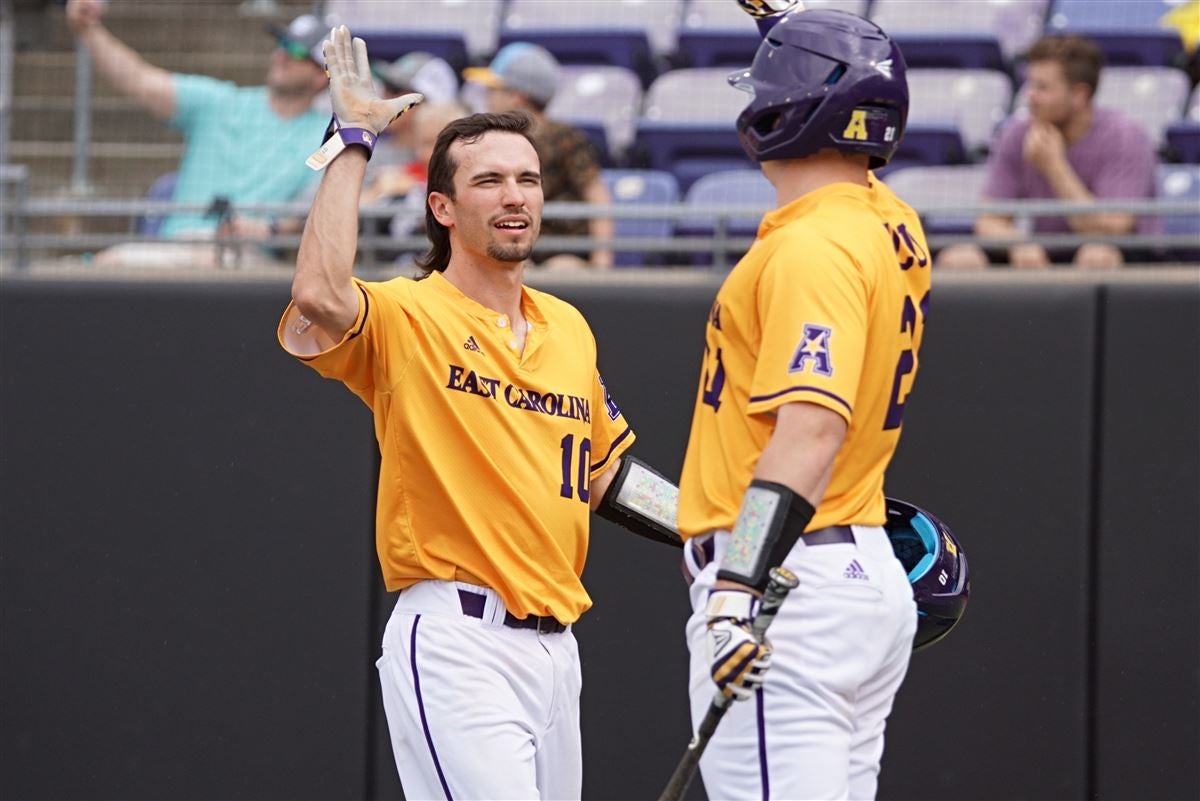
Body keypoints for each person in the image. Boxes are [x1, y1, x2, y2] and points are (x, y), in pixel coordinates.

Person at [279, 26, 642, 800]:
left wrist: (730, 533)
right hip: (456, 638)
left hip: (556, 654)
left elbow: (609, 475)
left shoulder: (569, 327)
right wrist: (353, 138)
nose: (515, 196)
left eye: (528, 179)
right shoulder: (410, 314)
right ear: (441, 206)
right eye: (489, 182)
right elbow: (317, 293)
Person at [675, 4, 929, 799]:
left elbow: (811, 432)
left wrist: (737, 585)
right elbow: (859, 129)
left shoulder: (812, 245)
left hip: (786, 582)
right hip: (852, 571)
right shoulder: (888, 219)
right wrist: (807, 30)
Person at [65, 0, 329, 267]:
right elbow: (139, 80)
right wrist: (88, 29)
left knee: (119, 262)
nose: (282, 55)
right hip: (179, 246)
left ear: (321, 75)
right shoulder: (221, 102)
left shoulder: (326, 136)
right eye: (281, 43)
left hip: (248, 260)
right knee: (105, 265)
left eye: (296, 50)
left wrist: (270, 229)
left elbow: (331, 211)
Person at [936, 35, 1158, 270]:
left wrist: (1055, 167)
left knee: (1096, 256)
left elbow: (1113, 229)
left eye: (1042, 87)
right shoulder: (1016, 134)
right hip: (1047, 250)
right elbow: (988, 221)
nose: (1030, 97)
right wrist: (1018, 242)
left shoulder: (1125, 136)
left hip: (1125, 254)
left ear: (1080, 95)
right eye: (1030, 84)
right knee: (960, 258)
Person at [464, 42, 615, 269]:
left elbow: (596, 194)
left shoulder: (563, 137)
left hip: (562, 249)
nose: (487, 96)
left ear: (517, 96)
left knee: (563, 269)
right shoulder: (491, 139)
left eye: (494, 89)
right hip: (512, 245)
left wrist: (602, 257)